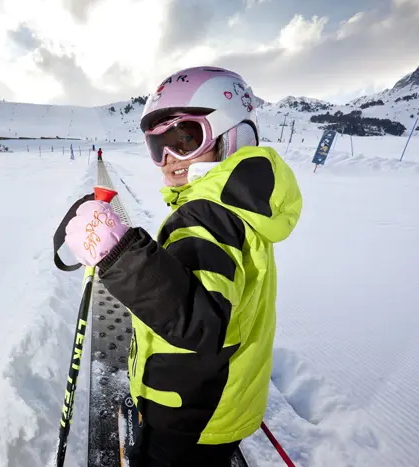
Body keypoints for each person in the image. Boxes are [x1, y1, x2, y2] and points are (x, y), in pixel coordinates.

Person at [64, 67, 302, 467]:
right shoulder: (242, 202)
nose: (169, 159)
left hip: (187, 416)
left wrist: (118, 252)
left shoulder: (206, 214)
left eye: (184, 138)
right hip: (223, 403)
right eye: (158, 146)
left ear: (232, 137)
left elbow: (200, 322)